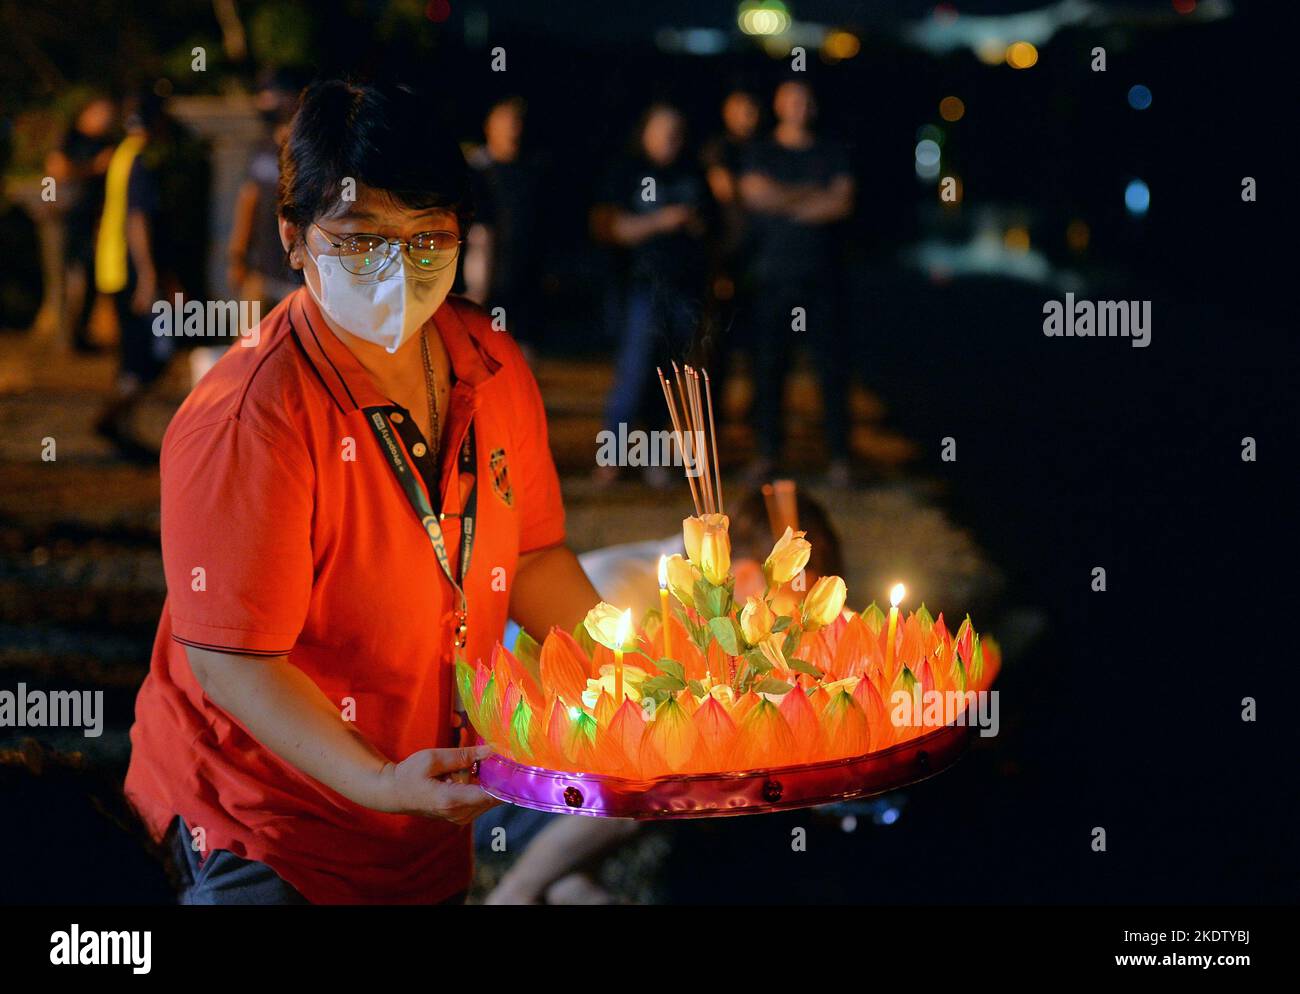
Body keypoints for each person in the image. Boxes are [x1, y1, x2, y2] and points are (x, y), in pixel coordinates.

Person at [124, 79, 602, 905]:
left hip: (421, 817)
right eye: (358, 240)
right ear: (293, 239)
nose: (395, 269)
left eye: (427, 238)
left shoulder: (488, 364)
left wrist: (633, 683)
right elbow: (235, 661)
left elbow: (531, 557)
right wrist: (378, 779)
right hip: (263, 829)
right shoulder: (253, 414)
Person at [477, 484, 843, 903]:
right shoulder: (615, 598)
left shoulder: (696, 588)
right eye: (787, 614)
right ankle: (515, 893)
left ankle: (567, 878)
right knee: (660, 774)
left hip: (561, 773)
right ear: (743, 576)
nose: (787, 634)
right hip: (501, 786)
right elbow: (614, 736)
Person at [738, 80, 855, 486]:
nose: (798, 107)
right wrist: (811, 196)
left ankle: (840, 457)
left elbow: (840, 202)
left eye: (805, 100)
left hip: (822, 278)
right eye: (790, 99)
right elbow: (754, 195)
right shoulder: (761, 151)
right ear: (777, 104)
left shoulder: (832, 151)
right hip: (772, 277)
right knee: (769, 370)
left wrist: (783, 199)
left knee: (831, 370)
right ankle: (769, 453)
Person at [591, 103, 708, 486]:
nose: (670, 139)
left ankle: (655, 460)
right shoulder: (628, 172)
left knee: (671, 379)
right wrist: (662, 221)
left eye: (677, 131)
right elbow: (611, 227)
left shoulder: (692, 173)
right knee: (634, 373)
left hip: (686, 290)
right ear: (645, 132)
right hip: (641, 289)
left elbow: (715, 226)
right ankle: (612, 458)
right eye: (662, 130)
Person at [92, 89, 178, 461]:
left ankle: (123, 427)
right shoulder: (140, 161)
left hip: (113, 266)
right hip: (130, 269)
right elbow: (137, 219)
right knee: (153, 354)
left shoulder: (121, 156)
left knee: (134, 354)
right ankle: (111, 419)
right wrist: (148, 277)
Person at [462, 96, 541, 349]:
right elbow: (479, 233)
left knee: (522, 359)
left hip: (523, 283)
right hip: (487, 281)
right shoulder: (476, 171)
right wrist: (478, 285)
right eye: (505, 121)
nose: (512, 129)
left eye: (516, 122)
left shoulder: (531, 171)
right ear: (489, 125)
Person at [227, 69, 306, 312]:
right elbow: (248, 200)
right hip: (261, 273)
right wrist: (237, 256)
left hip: (298, 278)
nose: (265, 100)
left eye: (272, 93)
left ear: (293, 97)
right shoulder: (261, 146)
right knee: (250, 347)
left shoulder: (309, 151)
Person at [45, 95, 117, 352]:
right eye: (102, 112)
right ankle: (64, 338)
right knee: (61, 277)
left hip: (90, 218)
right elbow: (58, 169)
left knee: (91, 276)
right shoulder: (69, 137)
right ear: (86, 112)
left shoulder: (107, 142)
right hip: (61, 216)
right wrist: (93, 168)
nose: (107, 118)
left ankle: (81, 334)